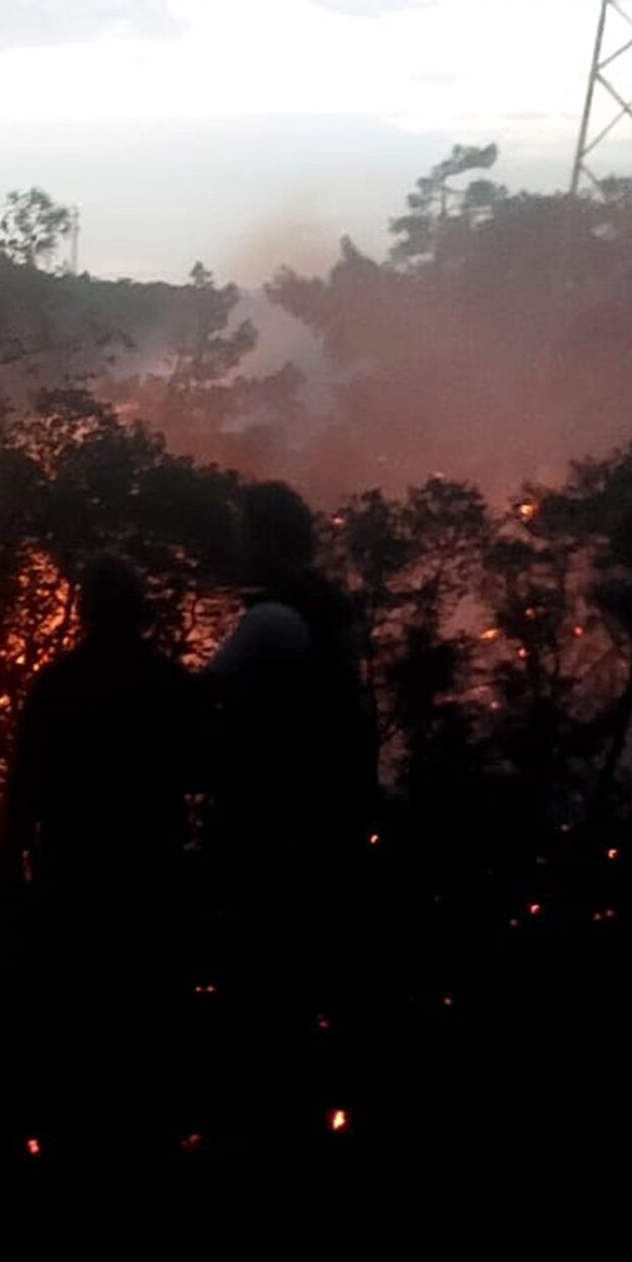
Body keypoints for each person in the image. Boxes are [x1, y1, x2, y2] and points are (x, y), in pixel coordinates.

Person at [0, 553, 197, 1150]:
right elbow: (207, 770)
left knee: (77, 1051)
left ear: (84, 614)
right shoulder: (168, 683)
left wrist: (8, 883)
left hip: (73, 892)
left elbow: (22, 790)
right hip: (153, 892)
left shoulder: (57, 685)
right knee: (149, 1049)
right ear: (140, 612)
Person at [202, 481, 378, 1123]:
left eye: (243, 532)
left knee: (267, 996)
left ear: (263, 539)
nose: (233, 545)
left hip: (272, 832)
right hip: (322, 821)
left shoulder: (273, 618)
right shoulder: (324, 609)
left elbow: (197, 703)